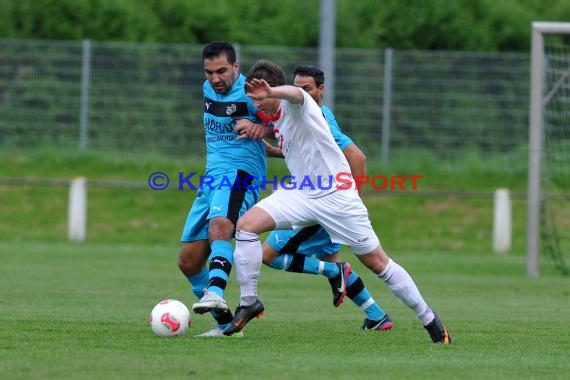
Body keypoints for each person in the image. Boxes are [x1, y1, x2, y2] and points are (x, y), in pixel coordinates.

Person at [223, 59, 452, 344]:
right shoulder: (276, 119)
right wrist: (261, 132)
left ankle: (429, 319)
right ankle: (249, 302)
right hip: (303, 192)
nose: (257, 108)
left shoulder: (300, 101)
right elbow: (292, 142)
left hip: (337, 197)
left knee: (377, 263)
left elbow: (297, 95)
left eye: (260, 100)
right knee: (245, 226)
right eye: (253, 102)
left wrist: (273, 92)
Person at [262, 65, 393, 331]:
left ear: (321, 89)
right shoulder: (305, 113)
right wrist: (273, 150)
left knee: (267, 255)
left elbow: (357, 157)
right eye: (298, 88)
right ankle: (377, 316)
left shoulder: (320, 116)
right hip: (318, 197)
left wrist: (351, 202)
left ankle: (338, 274)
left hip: (324, 203)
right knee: (331, 263)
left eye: (307, 88)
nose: (302, 93)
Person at [178, 41, 269, 337]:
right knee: (189, 262)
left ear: (236, 67)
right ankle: (227, 325)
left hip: (241, 175)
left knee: (221, 225)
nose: (215, 78)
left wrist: (263, 128)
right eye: (209, 72)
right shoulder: (208, 89)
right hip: (212, 179)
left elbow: (291, 124)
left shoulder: (254, 95)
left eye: (222, 71)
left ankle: (215, 291)